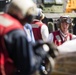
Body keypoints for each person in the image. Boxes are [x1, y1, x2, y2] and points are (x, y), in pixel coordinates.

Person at [0, 0, 52, 75]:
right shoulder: (16, 31)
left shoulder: (2, 20)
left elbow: (12, 47)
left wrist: (35, 45)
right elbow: (28, 67)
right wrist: (42, 50)